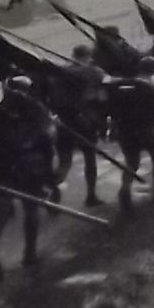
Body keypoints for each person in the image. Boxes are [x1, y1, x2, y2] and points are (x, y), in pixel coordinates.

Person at [0, 76, 57, 281]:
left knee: (2, 213)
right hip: (28, 170)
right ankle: (29, 254)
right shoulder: (36, 116)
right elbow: (47, 148)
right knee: (30, 211)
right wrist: (49, 178)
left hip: (1, 168)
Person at [105, 58, 154, 212]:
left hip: (126, 131)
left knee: (131, 162)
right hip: (150, 129)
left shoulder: (118, 86)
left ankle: (125, 191)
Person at [47, 64, 107, 208]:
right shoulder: (92, 74)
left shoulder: (58, 81)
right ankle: (91, 196)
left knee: (64, 162)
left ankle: (54, 191)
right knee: (90, 160)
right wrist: (102, 127)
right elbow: (101, 100)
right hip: (85, 123)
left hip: (64, 123)